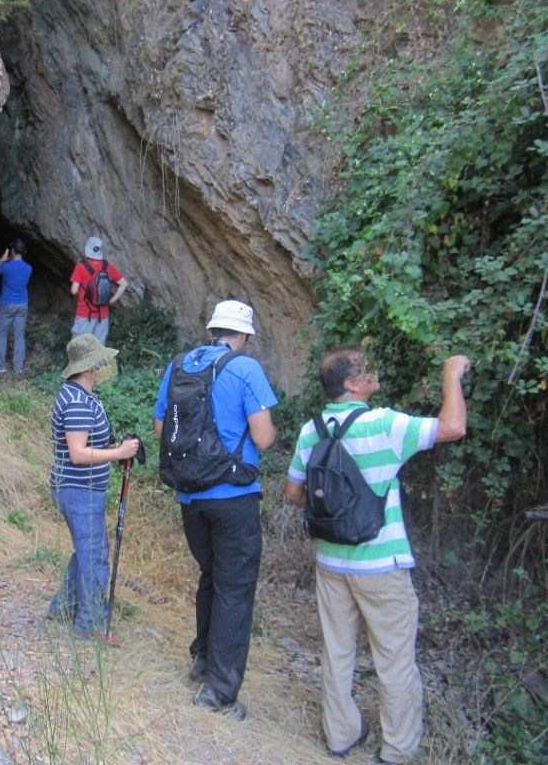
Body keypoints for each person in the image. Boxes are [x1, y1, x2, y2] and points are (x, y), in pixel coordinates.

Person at [283, 347, 470, 764]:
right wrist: (451, 373)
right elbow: (453, 427)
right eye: (367, 369)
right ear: (351, 384)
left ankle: (340, 738)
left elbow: (293, 493)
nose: (374, 372)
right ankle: (397, 750)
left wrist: (336, 511)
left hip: (331, 562)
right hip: (380, 565)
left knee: (337, 652)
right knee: (394, 659)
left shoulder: (312, 430)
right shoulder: (384, 424)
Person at [153, 299, 279, 721]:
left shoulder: (178, 365)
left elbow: (160, 427)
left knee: (212, 576)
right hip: (233, 497)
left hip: (191, 497)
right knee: (235, 588)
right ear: (241, 336)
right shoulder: (244, 368)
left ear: (211, 330)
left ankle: (203, 661)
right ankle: (220, 692)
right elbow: (262, 439)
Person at [49, 333, 140, 646]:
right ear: (87, 368)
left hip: (78, 489)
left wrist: (114, 447)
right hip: (79, 491)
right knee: (95, 557)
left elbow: (88, 445)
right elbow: (77, 453)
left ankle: (62, 608)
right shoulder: (76, 402)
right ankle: (89, 623)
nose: (104, 366)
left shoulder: (78, 395)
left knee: (87, 551)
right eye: (99, 361)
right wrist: (119, 454)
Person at [69, 236, 128, 346]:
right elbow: (124, 284)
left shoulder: (81, 267)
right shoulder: (107, 266)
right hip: (103, 316)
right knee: (99, 352)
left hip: (85, 315)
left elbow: (74, 290)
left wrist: (82, 293)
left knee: (80, 350)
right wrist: (112, 300)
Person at [0, 238, 33, 374]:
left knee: (1, 335)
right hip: (22, 304)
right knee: (19, 335)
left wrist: (3, 259)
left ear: (12, 251)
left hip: (6, 304)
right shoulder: (28, 268)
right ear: (24, 251)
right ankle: (18, 368)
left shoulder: (6, 266)